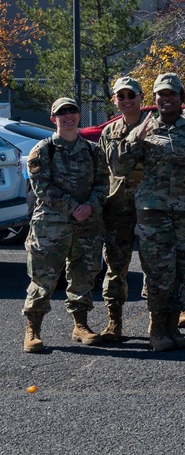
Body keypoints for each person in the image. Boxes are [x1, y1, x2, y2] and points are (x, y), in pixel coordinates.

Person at [116, 73, 185, 351]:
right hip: (152, 211)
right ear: (154, 99)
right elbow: (119, 168)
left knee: (181, 270)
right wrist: (135, 140)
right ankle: (157, 330)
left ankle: (173, 327)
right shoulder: (143, 128)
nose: (166, 99)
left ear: (181, 97)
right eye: (161, 94)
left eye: (172, 94)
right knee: (158, 272)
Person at [22, 98, 109, 353]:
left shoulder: (93, 151)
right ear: (54, 119)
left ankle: (80, 325)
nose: (68, 116)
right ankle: (33, 330)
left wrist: (90, 206)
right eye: (62, 113)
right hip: (51, 226)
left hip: (87, 225)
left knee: (84, 275)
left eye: (72, 111)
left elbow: (104, 184)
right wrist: (74, 207)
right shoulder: (43, 150)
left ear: (79, 116)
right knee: (43, 278)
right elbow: (42, 188)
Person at [97, 77, 145, 342]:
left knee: (154, 269)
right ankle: (114, 322)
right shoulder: (109, 132)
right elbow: (104, 170)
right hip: (117, 208)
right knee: (116, 267)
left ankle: (156, 322)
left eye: (131, 95)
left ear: (141, 97)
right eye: (121, 96)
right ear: (115, 100)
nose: (126, 100)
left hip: (150, 208)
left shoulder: (154, 127)